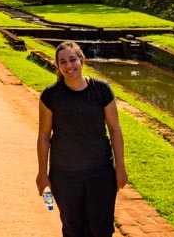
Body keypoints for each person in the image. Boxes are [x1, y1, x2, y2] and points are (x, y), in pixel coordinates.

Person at [36, 41, 127, 237]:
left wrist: (120, 167)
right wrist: (42, 174)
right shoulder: (50, 95)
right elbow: (44, 136)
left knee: (101, 228)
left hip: (100, 172)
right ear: (58, 66)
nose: (69, 66)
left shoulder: (101, 90)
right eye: (63, 62)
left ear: (82, 60)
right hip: (65, 175)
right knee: (73, 228)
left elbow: (114, 128)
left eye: (73, 60)